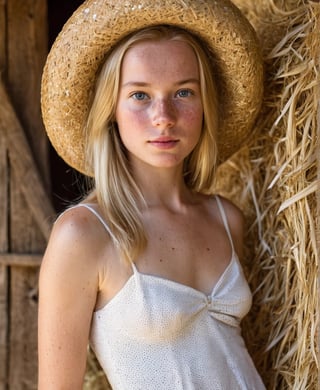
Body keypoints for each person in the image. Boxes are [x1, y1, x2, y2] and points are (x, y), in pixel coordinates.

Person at [38, 0, 265, 389]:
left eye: (183, 93)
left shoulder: (226, 219)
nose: (163, 116)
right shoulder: (84, 235)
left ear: (205, 103)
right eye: (140, 95)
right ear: (111, 108)